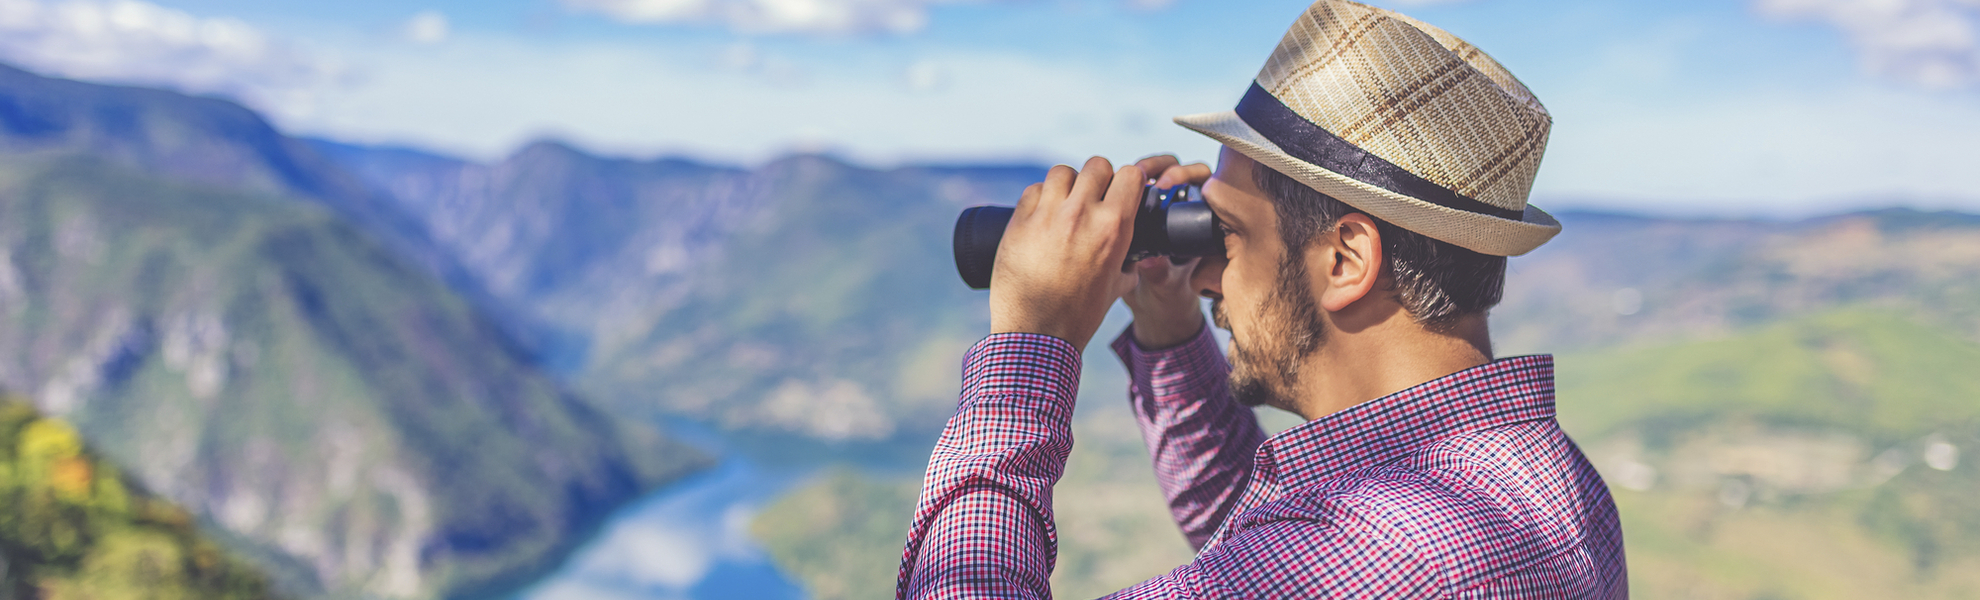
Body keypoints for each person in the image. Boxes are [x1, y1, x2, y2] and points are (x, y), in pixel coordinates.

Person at [895, 0, 1626, 598]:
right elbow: (1252, 543)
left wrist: (1028, 350)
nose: (1211, 271)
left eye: (1232, 233)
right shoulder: (1552, 484)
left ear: (1345, 259)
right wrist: (1172, 329)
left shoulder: (1385, 561)